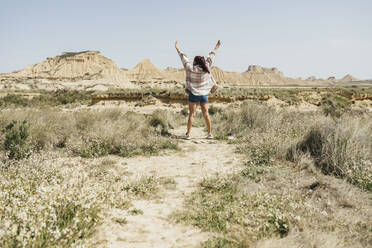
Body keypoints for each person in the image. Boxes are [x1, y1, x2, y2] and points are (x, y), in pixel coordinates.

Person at [175, 40, 221, 140]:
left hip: (193, 94)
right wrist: (217, 46)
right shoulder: (207, 67)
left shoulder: (190, 68)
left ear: (195, 62)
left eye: (194, 60)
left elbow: (184, 59)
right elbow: (212, 56)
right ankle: (209, 134)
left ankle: (188, 135)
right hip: (204, 94)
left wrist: (177, 49)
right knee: (206, 114)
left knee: (192, 114)